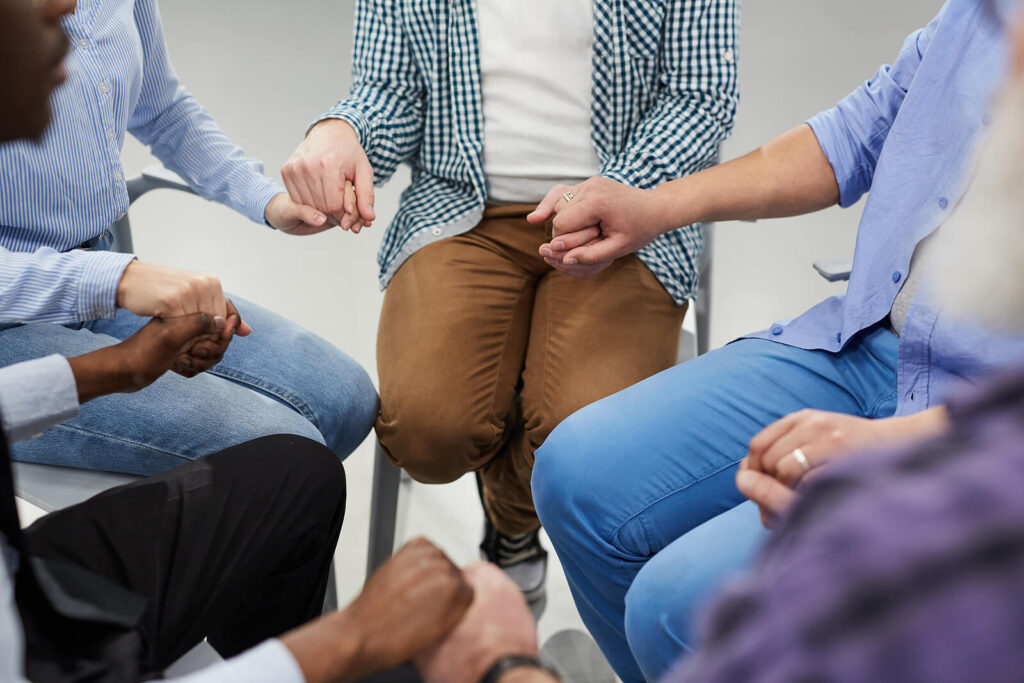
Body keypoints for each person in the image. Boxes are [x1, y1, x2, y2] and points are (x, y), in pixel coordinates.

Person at [527, 0, 1024, 680]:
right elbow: (863, 127)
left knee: (675, 609)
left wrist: (890, 444)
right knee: (574, 474)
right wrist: (655, 206)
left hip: (988, 429)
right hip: (869, 339)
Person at [282, 0, 740, 600]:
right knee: (427, 432)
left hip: (627, 210)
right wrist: (342, 131)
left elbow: (700, 95)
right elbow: (388, 89)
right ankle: (517, 502)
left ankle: (510, 524)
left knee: (583, 445)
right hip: (461, 211)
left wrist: (623, 188)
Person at [0, 0, 378, 477]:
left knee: (346, 398)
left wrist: (268, 200)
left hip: (103, 272)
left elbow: (162, 110)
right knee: (289, 457)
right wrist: (116, 280)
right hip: (14, 321)